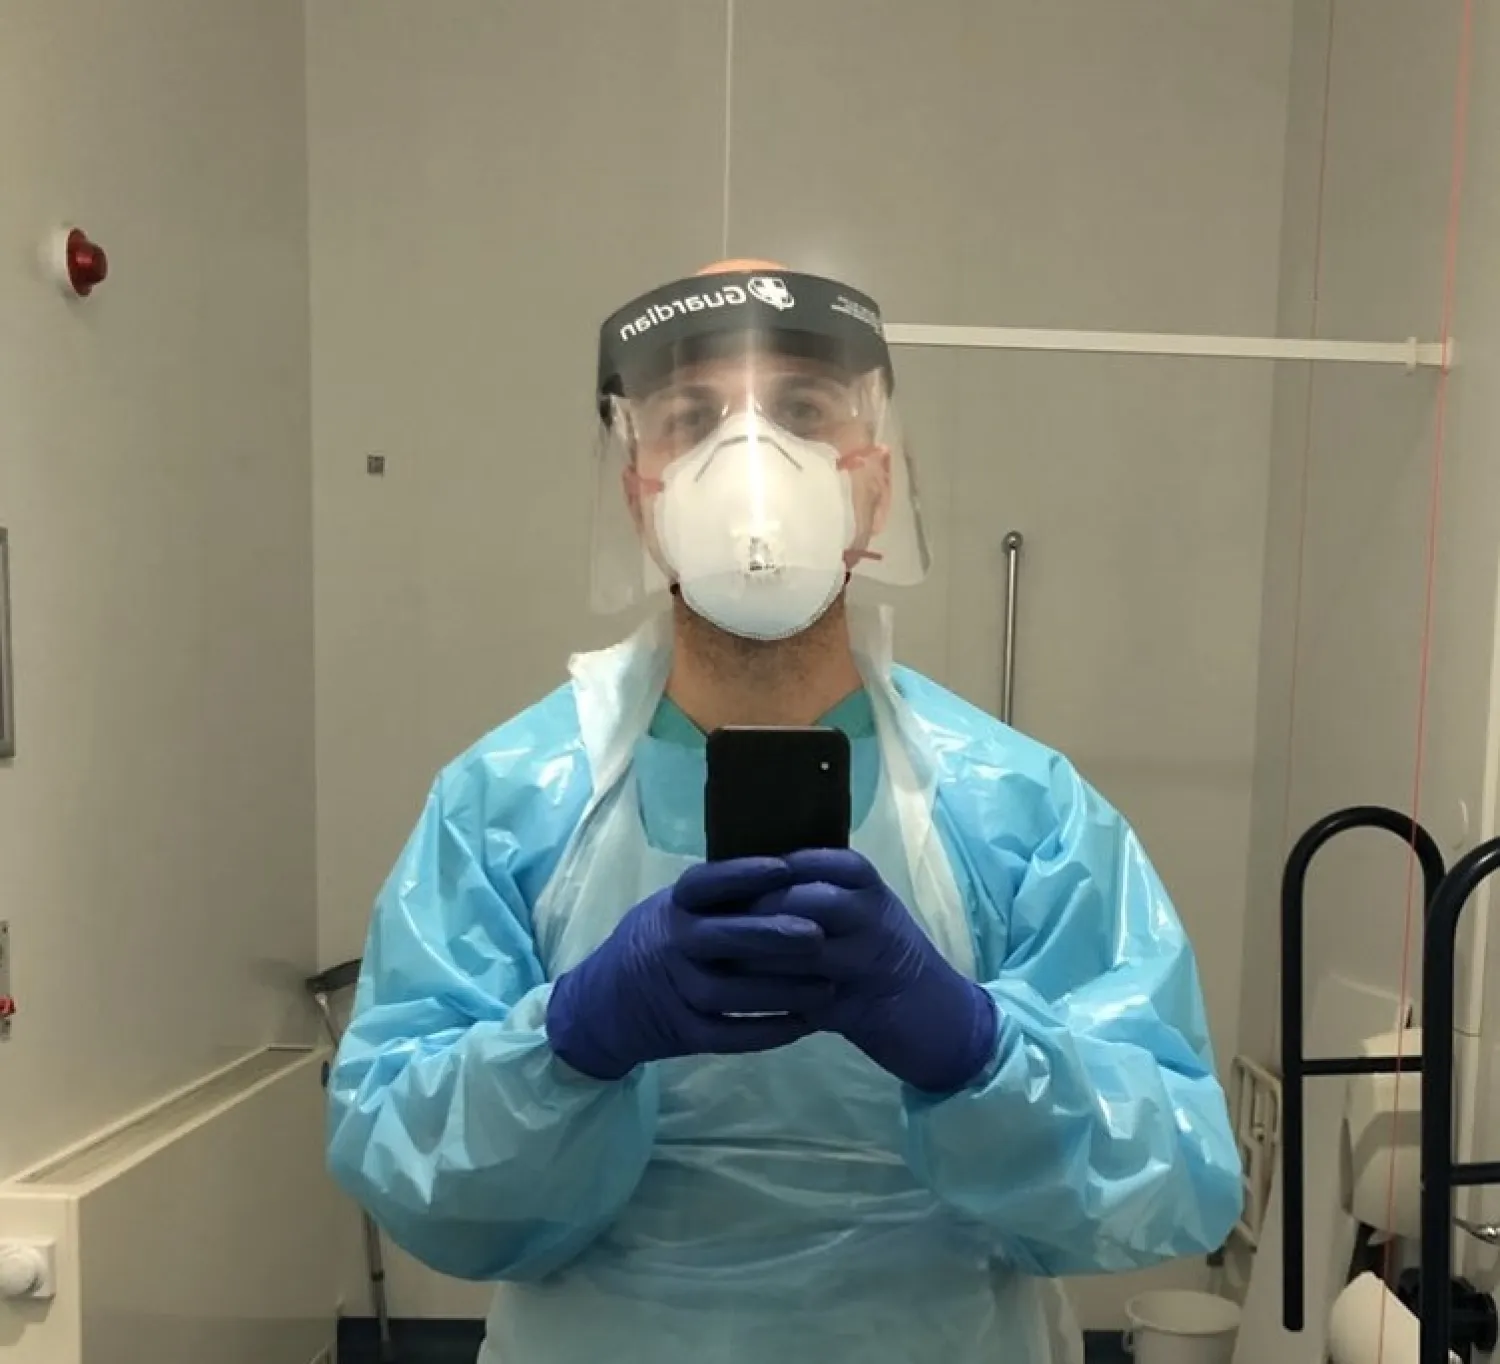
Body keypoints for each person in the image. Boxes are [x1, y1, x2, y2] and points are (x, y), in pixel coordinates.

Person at [325, 258, 1242, 1363]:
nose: (749, 462)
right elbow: (398, 1162)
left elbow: (1182, 1179)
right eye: (692, 415)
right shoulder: (506, 802)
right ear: (637, 485)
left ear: (872, 480)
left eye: (803, 411)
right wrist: (572, 1038)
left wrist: (975, 1049)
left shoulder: (1018, 807)